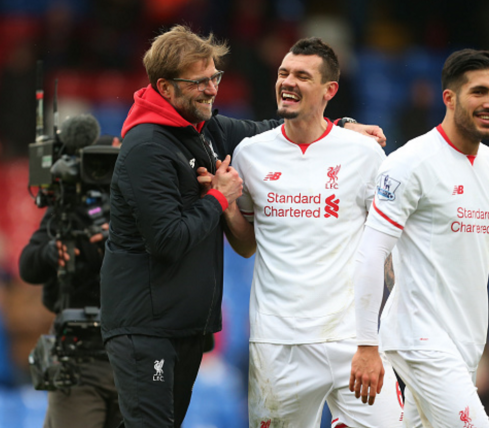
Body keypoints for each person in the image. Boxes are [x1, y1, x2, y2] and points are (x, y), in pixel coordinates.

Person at [99, 25, 383, 428]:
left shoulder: (204, 128)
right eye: (199, 82)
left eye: (214, 77)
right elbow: (167, 240)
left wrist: (342, 127)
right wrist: (220, 198)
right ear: (165, 88)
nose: (212, 90)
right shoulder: (147, 147)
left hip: (181, 326)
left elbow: (278, 129)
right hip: (146, 329)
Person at [349, 49, 489, 428]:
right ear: (448, 98)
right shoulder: (410, 163)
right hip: (418, 339)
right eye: (479, 92)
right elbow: (370, 254)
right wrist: (366, 344)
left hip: (464, 343)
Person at [218, 38, 404, 428]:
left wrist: (387, 325)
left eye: (302, 76)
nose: (288, 82)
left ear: (329, 90)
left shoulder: (364, 154)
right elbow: (246, 244)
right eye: (284, 73)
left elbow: (388, 248)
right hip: (277, 342)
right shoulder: (251, 153)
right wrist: (227, 202)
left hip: (353, 338)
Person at [19, 135, 123, 428]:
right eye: (100, 165)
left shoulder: (140, 212)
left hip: (131, 356)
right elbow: (28, 267)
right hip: (79, 358)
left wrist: (121, 244)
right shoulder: (69, 210)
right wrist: (52, 253)